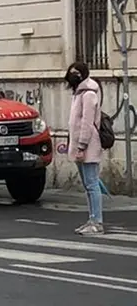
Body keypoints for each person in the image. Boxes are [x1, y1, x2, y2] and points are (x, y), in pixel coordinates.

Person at [65, 61, 105, 235]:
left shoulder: (88, 94)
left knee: (92, 184)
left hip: (88, 145)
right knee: (89, 185)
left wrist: (81, 146)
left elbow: (87, 122)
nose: (72, 76)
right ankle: (92, 219)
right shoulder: (78, 93)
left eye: (75, 73)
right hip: (80, 146)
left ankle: (97, 221)